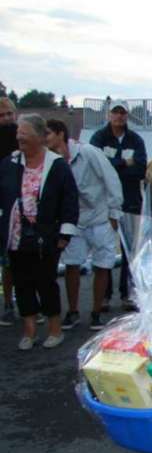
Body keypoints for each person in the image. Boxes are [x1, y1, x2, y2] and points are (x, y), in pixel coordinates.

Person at [0, 114, 78, 350]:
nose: (18, 137)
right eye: (18, 133)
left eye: (23, 132)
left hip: (47, 236)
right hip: (16, 234)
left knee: (46, 282)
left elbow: (69, 201)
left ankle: (54, 329)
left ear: (38, 136)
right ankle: (30, 331)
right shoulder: (10, 162)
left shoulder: (57, 165)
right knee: (22, 283)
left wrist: (65, 234)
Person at [45, 119, 123, 331]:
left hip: (99, 217)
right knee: (71, 264)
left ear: (60, 134)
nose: (45, 139)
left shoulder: (88, 152)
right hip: (73, 220)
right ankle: (73, 311)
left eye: (48, 134)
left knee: (103, 264)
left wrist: (114, 213)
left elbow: (111, 178)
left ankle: (96, 312)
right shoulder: (51, 160)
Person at [90, 100, 147, 310]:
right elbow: (96, 167)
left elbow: (140, 169)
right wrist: (124, 162)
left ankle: (127, 294)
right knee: (103, 249)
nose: (119, 116)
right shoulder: (98, 138)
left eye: (123, 113)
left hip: (131, 201)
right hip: (103, 204)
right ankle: (104, 296)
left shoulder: (136, 140)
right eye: (115, 112)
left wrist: (112, 164)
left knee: (129, 251)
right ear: (109, 115)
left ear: (127, 116)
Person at [0, 97, 19, 325]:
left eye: (8, 114)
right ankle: (7, 304)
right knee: (6, 261)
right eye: (1, 115)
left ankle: (30, 303)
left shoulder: (22, 136)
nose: (5, 119)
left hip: (23, 205)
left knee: (23, 259)